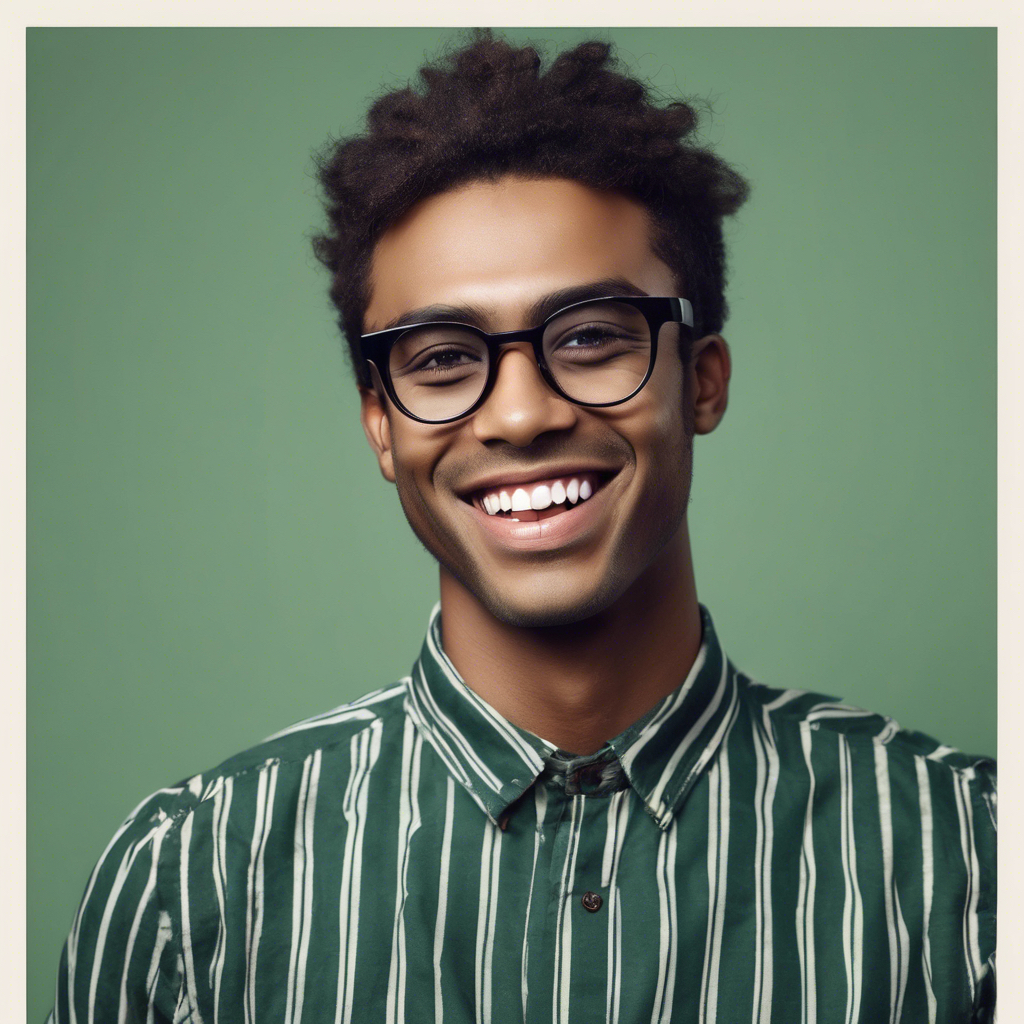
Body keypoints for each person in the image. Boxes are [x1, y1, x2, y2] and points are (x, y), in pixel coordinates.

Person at [47, 31, 995, 1024]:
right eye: (443, 358)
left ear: (701, 379)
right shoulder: (186, 890)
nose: (519, 414)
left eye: (588, 337)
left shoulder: (973, 866)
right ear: (380, 422)